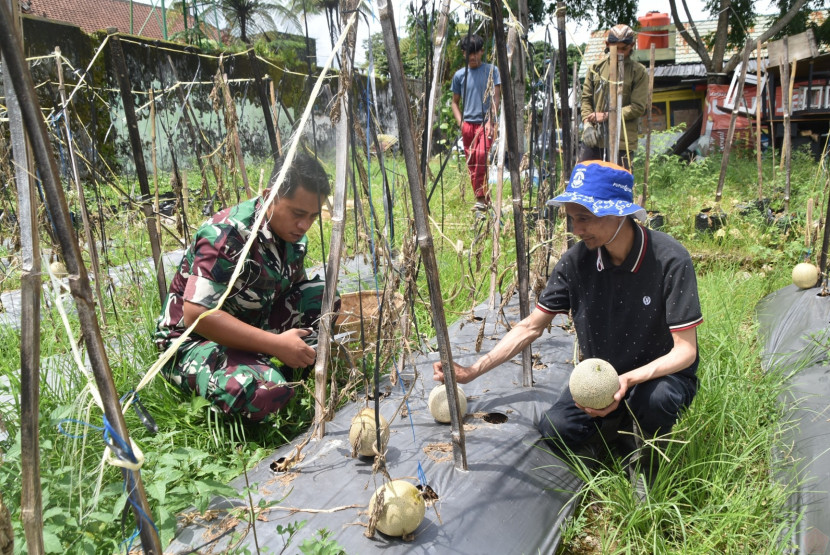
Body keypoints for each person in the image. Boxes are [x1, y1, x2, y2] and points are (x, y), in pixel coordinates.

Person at [433, 160, 702, 491]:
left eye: (584, 218)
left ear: (618, 213)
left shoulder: (670, 259)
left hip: (658, 376)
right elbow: (532, 326)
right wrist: (472, 371)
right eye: (572, 218)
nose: (576, 229)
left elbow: (685, 351)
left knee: (655, 401)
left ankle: (645, 463)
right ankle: (615, 437)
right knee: (556, 428)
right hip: (600, 378)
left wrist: (627, 380)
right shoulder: (577, 263)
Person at [154, 152, 337, 422]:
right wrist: (277, 344)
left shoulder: (293, 238)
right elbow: (196, 315)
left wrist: (291, 341)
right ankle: (265, 381)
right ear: (268, 195)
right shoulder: (228, 234)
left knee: (323, 299)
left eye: (312, 216)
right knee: (266, 392)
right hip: (193, 341)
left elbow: (294, 292)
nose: (304, 225)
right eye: (298, 213)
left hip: (248, 323)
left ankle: (276, 373)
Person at [579, 24, 648, 171]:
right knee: (585, 180)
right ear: (607, 44)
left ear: (632, 46)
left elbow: (637, 108)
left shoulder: (639, 72)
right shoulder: (595, 69)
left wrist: (606, 115)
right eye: (615, 48)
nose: (619, 52)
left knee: (618, 186)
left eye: (624, 48)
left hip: (622, 140)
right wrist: (587, 124)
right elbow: (586, 99)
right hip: (595, 138)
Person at [451, 33, 501, 212]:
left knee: (481, 157)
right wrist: (461, 123)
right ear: (463, 53)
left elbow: (496, 98)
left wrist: (491, 121)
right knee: (472, 163)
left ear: (481, 52)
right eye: (468, 53)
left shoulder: (491, 71)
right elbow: (454, 103)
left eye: (475, 52)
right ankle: (483, 200)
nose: (472, 57)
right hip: (468, 126)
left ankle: (480, 200)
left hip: (485, 123)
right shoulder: (459, 76)